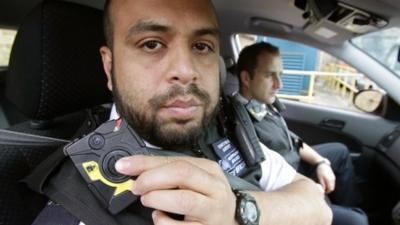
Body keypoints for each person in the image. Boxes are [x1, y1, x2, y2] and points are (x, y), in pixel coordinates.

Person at [27, 1, 332, 225]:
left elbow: (317, 204)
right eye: (151, 44)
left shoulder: (225, 126)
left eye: (201, 46)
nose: (186, 72)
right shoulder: (77, 205)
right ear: (110, 67)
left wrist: (240, 211)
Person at [234, 42, 368, 225]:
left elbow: (293, 140)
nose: (279, 84)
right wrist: (309, 191)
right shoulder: (240, 122)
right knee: (357, 221)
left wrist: (321, 162)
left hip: (296, 164)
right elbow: (265, 180)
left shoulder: (264, 103)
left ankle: (350, 206)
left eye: (280, 75)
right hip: (286, 184)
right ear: (246, 78)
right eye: (269, 75)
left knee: (340, 152)